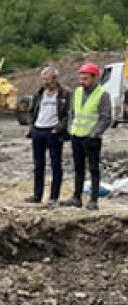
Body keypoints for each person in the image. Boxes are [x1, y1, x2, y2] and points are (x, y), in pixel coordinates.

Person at [61, 61, 111, 211]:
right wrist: (70, 129)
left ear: (94, 78)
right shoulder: (76, 92)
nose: (82, 81)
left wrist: (95, 134)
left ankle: (93, 200)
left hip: (92, 138)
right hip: (76, 135)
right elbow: (72, 113)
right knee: (78, 168)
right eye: (81, 78)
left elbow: (106, 117)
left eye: (85, 78)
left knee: (93, 168)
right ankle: (77, 197)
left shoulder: (102, 94)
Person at [24, 66, 70, 204]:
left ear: (55, 78)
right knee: (38, 165)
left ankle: (53, 197)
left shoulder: (64, 94)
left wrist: (58, 129)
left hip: (53, 132)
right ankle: (37, 195)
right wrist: (32, 127)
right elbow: (31, 111)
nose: (45, 82)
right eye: (43, 79)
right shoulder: (39, 93)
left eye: (47, 79)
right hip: (38, 130)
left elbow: (68, 114)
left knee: (55, 164)